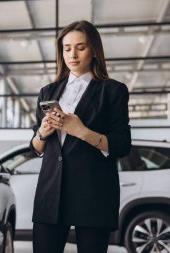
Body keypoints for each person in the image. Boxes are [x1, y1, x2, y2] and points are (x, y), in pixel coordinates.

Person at [30, 20, 132, 253]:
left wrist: (82, 132)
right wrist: (42, 133)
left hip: (94, 193)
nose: (72, 54)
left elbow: (123, 144)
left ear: (94, 50)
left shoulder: (113, 90)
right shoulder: (48, 91)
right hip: (51, 191)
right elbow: (36, 147)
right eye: (67, 48)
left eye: (81, 47)